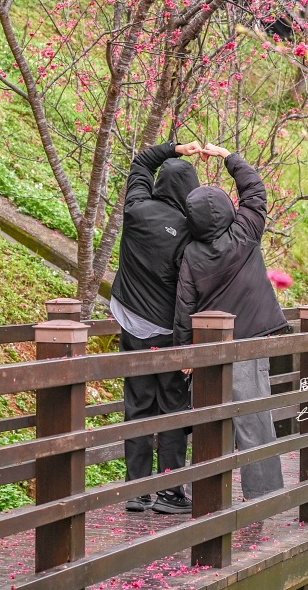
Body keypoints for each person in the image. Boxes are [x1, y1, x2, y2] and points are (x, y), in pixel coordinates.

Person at [173, 144, 288, 500]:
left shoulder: (191, 254)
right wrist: (228, 157)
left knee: (209, 419)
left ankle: (204, 490)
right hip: (250, 341)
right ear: (226, 210)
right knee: (254, 418)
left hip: (208, 347)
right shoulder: (245, 234)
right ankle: (263, 491)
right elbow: (254, 191)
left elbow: (184, 306)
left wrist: (184, 353)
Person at [111, 138, 201, 514]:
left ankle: (136, 489)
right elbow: (190, 290)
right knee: (173, 409)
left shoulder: (135, 208)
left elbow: (140, 164)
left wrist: (175, 148)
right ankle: (168, 491)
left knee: (137, 405)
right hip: (168, 334)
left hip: (130, 322)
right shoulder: (189, 231)